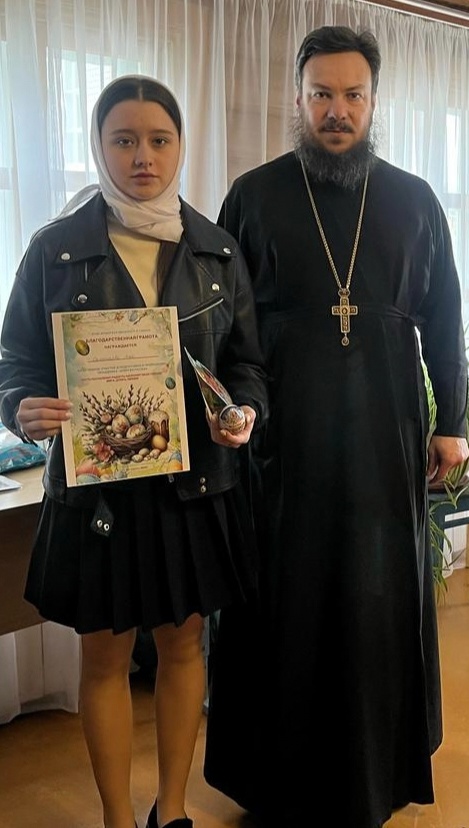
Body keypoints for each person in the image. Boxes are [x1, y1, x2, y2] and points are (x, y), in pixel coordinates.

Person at [203, 25, 469, 828]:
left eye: (353, 95)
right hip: (283, 439)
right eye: (322, 93)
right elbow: (224, 325)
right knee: (284, 601)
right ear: (298, 97)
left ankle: (373, 773)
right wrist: (228, 410)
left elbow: (445, 318)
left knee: (374, 598)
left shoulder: (413, 200)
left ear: (374, 101)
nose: (337, 110)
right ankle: (275, 781)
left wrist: (452, 422)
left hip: (386, 435)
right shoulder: (253, 196)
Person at [0, 75, 268, 828]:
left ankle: (171, 810)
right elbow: (16, 363)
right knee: (105, 658)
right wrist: (21, 408)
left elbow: (247, 364)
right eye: (124, 140)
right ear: (98, 146)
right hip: (100, 492)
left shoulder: (217, 251)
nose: (142, 156)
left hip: (195, 485)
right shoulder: (54, 250)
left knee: (185, 649)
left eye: (159, 140)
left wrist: (243, 411)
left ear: (180, 147)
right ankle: (119, 818)